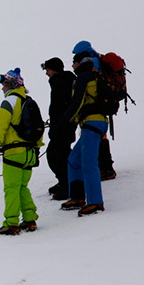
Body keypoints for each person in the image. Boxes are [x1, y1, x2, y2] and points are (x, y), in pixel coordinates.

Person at [0, 68, 43, 235]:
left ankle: (11, 223)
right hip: (30, 152)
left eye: (4, 85)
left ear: (10, 85)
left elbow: (1, 125)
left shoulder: (9, 101)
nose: (2, 89)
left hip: (14, 152)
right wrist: (37, 149)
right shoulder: (29, 101)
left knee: (11, 188)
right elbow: (38, 127)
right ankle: (30, 219)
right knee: (22, 187)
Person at [60, 41, 108, 216]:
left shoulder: (84, 77)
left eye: (74, 61)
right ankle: (78, 196)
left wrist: (65, 120)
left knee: (89, 162)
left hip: (92, 123)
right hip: (97, 122)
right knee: (74, 159)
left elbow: (77, 102)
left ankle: (95, 202)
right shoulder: (95, 74)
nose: (72, 65)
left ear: (80, 62)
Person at [41, 57, 77, 200]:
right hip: (66, 125)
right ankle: (65, 182)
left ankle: (67, 185)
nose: (46, 73)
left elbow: (59, 107)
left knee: (57, 156)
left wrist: (58, 124)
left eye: (48, 70)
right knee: (58, 154)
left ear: (54, 69)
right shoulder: (65, 80)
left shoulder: (60, 82)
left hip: (62, 126)